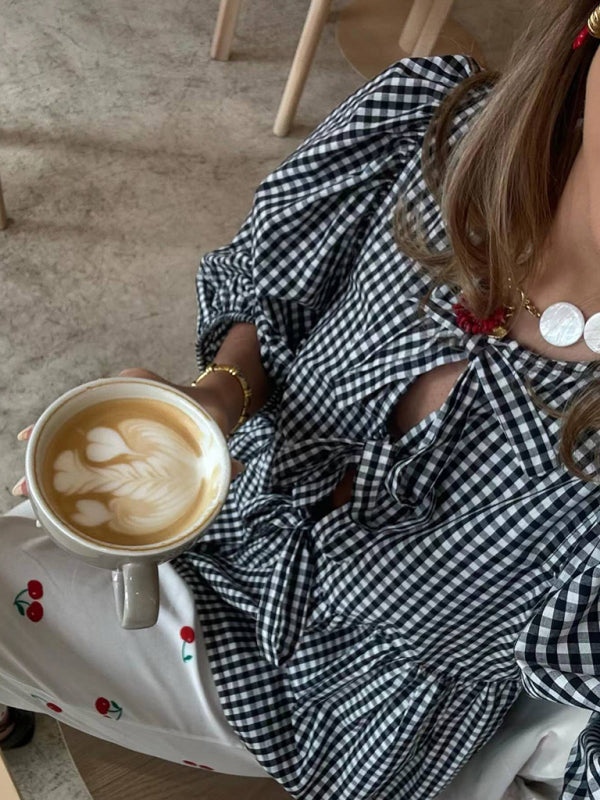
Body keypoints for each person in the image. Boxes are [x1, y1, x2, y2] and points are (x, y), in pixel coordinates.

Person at [5, 0, 600, 796]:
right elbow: (276, 286)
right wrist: (216, 398)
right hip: (216, 526)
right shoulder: (434, 122)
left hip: (343, 713)